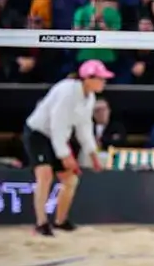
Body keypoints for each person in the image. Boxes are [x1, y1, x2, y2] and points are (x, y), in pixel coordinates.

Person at [21, 60, 110, 237]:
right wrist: (65, 155)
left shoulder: (89, 97)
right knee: (45, 175)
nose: (104, 82)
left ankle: (60, 221)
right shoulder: (67, 92)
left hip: (57, 137)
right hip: (38, 133)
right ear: (88, 78)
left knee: (71, 180)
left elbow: (84, 128)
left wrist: (93, 154)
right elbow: (57, 125)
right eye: (101, 78)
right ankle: (41, 223)